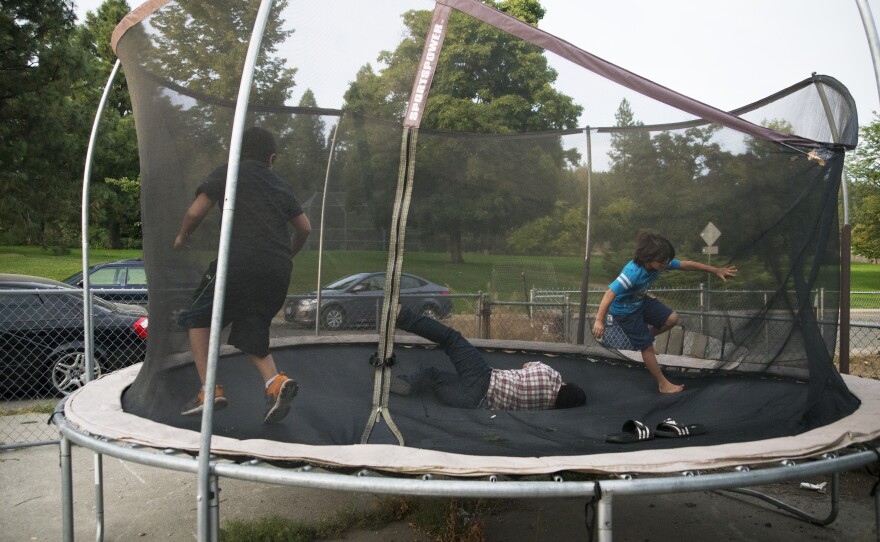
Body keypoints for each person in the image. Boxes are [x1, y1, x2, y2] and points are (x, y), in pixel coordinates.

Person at [174, 126, 311, 423]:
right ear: (271, 159)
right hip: (276, 270)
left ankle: (209, 390)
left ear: (236, 152)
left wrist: (183, 235)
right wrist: (286, 255)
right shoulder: (280, 185)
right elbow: (304, 228)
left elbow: (196, 211)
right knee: (251, 326)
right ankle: (274, 383)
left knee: (197, 317)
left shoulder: (229, 172)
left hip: (237, 264)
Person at [592, 229, 736, 394]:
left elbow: (686, 265)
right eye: (662, 261)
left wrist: (715, 270)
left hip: (640, 302)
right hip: (625, 312)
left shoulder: (660, 264)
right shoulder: (632, 273)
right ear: (648, 258)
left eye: (666, 261)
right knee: (646, 348)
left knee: (672, 319)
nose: (665, 264)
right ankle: (662, 384)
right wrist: (598, 320)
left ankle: (646, 337)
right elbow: (610, 293)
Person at [391, 306, 586, 410]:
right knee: (433, 377)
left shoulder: (551, 375)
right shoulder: (546, 409)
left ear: (566, 385)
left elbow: (527, 365)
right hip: (474, 403)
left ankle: (403, 316)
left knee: (451, 339)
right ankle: (407, 384)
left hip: (484, 378)